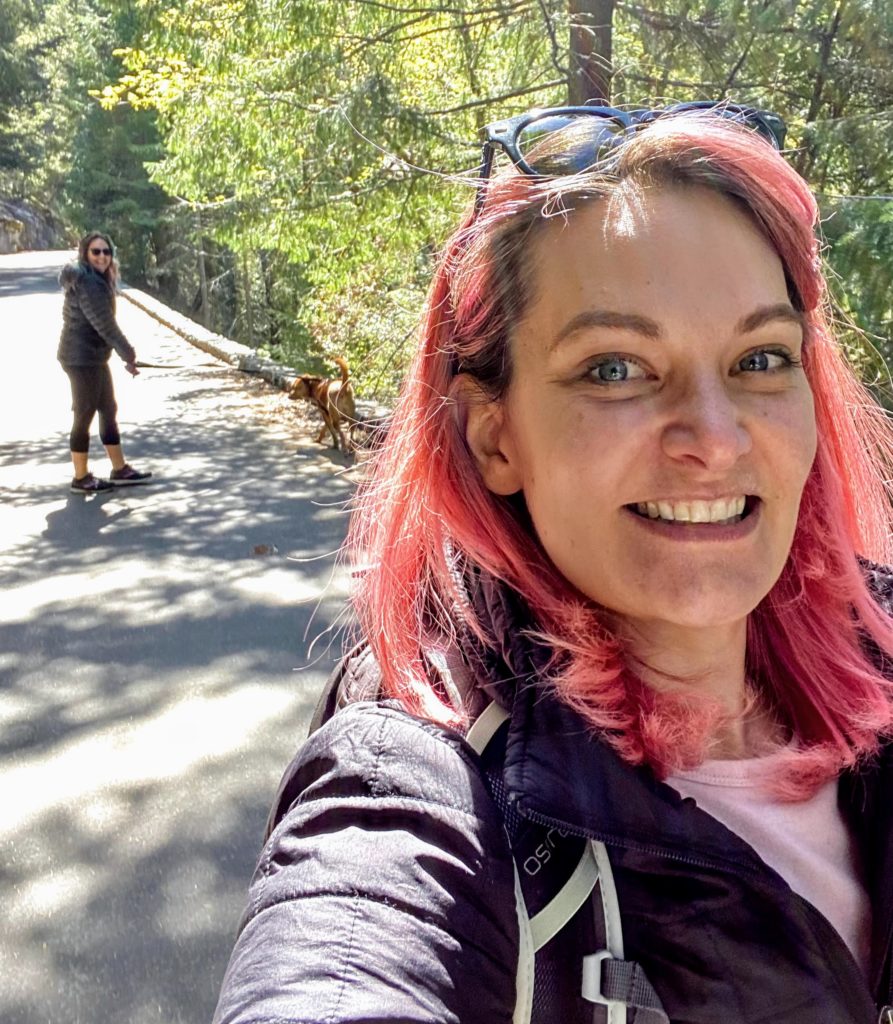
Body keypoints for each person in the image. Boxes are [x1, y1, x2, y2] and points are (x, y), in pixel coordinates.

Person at [213, 104, 893, 1024]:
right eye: (614, 368)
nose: (715, 437)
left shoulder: (879, 647)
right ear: (494, 436)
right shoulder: (418, 773)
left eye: (760, 358)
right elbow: (345, 957)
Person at [58, 231, 152, 493]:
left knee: (108, 408)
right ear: (86, 254)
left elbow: (104, 327)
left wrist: (125, 356)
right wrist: (129, 355)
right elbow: (105, 326)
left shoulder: (97, 280)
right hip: (80, 358)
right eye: (96, 251)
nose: (102, 256)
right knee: (84, 412)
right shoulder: (88, 283)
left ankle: (119, 469)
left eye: (106, 252)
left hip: (93, 357)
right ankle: (81, 477)